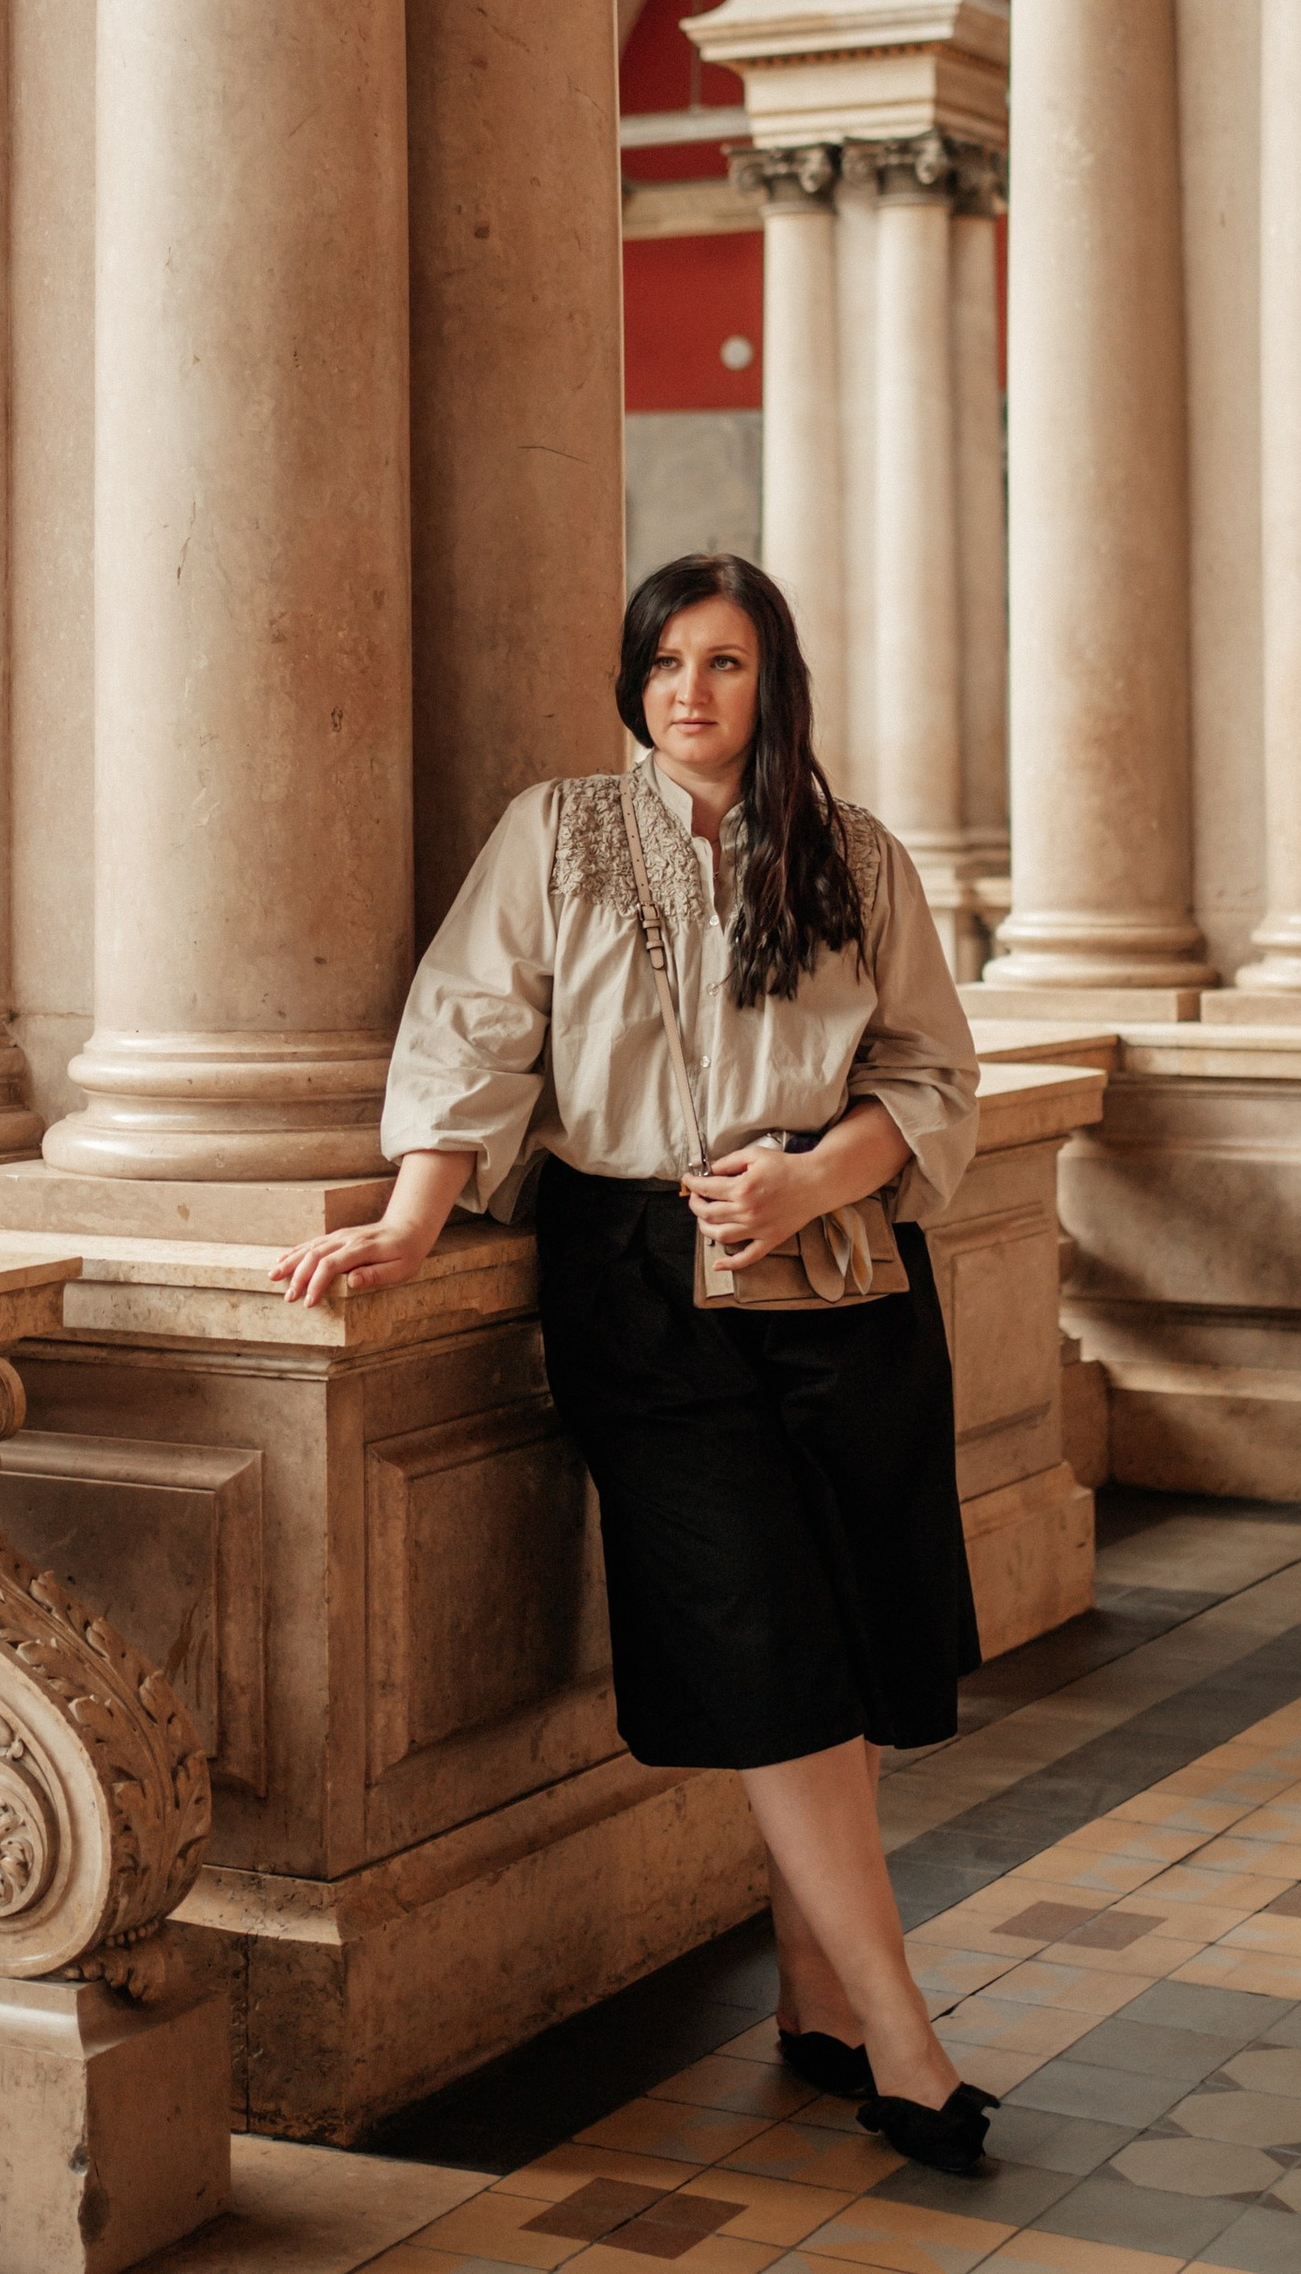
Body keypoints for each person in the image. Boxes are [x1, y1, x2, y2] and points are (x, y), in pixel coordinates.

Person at [272, 552, 994, 2177]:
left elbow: (936, 1073)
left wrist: (818, 1171)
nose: (691, 692)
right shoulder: (556, 835)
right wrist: (407, 1221)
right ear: (633, 677)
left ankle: (815, 1994)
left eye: (726, 662)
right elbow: (472, 1024)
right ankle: (905, 2037)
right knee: (759, 1631)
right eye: (668, 661)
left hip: (845, 1279)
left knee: (846, 1626)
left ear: (772, 681)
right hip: (636, 1291)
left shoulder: (857, 856)